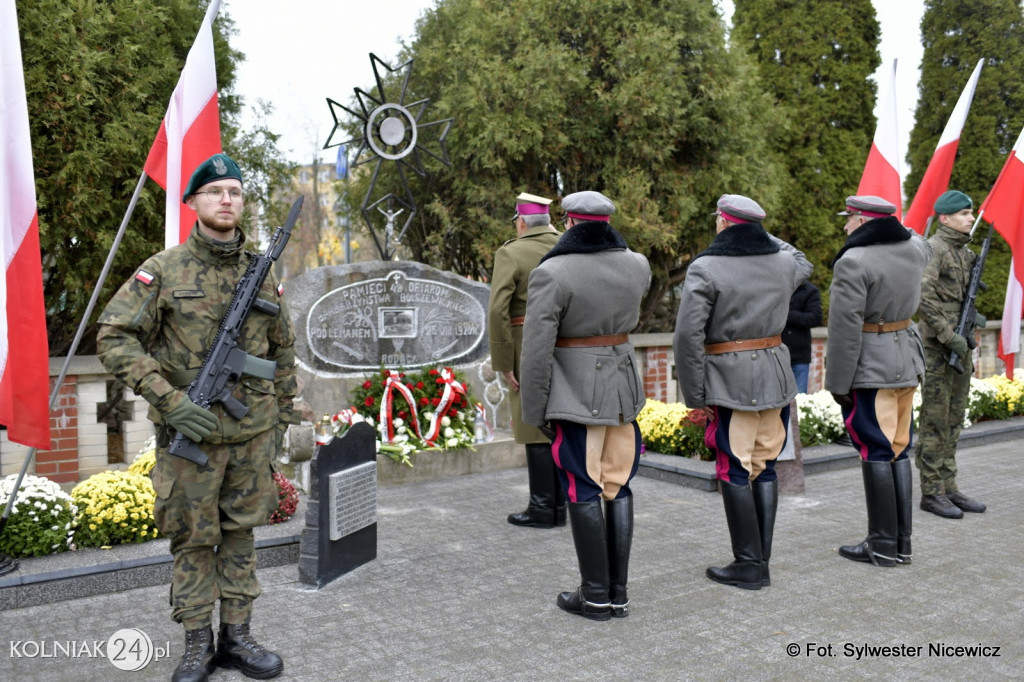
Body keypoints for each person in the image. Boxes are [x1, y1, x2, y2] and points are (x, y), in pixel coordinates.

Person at [97, 153, 297, 682]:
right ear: (193, 202)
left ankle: (238, 637)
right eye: (214, 193)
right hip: (191, 435)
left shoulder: (263, 271)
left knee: (241, 535)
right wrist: (168, 399)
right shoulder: (162, 270)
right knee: (192, 540)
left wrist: (281, 419)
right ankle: (196, 644)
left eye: (233, 191)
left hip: (251, 435)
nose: (226, 200)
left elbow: (282, 352)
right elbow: (113, 336)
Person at [520, 190, 650, 621]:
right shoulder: (638, 265)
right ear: (608, 222)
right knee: (619, 485)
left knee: (583, 487)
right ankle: (618, 594)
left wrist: (535, 410)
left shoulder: (552, 272)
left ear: (569, 222)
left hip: (576, 395)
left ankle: (594, 596)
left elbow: (536, 351)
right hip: (623, 393)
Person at [674, 194, 812, 590]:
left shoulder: (706, 267)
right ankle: (759, 559)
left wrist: (695, 393)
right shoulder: (783, 262)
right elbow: (803, 259)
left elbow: (688, 335)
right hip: (776, 374)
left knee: (734, 467)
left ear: (722, 222)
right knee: (765, 465)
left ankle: (749, 565)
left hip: (731, 379)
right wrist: (766, 236)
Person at [826, 195, 931, 568]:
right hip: (907, 359)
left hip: (872, 366)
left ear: (865, 221)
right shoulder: (915, 249)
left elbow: (844, 331)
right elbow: (920, 236)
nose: (845, 226)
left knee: (876, 450)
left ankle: (882, 545)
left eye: (850, 218)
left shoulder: (853, 262)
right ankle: (902, 543)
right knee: (900, 448)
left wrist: (838, 384)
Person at [487, 193, 565, 528]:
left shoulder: (511, 252)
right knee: (562, 423)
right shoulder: (566, 246)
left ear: (520, 222)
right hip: (565, 345)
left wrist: (504, 362)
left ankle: (543, 508)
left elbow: (497, 310)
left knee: (532, 426)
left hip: (524, 344)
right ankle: (565, 506)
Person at [915, 190, 987, 518]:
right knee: (935, 419)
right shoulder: (935, 248)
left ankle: (949, 486)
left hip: (959, 345)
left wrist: (973, 323)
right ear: (945, 218)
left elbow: (959, 300)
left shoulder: (963, 252)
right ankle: (931, 492)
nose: (971, 218)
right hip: (937, 348)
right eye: (964, 214)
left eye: (970, 213)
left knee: (955, 417)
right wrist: (949, 337)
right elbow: (923, 297)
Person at [783, 280, 822, 393]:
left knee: (799, 398)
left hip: (799, 355)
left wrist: (788, 315)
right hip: (777, 355)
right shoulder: (777, 287)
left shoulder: (810, 290)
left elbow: (815, 318)